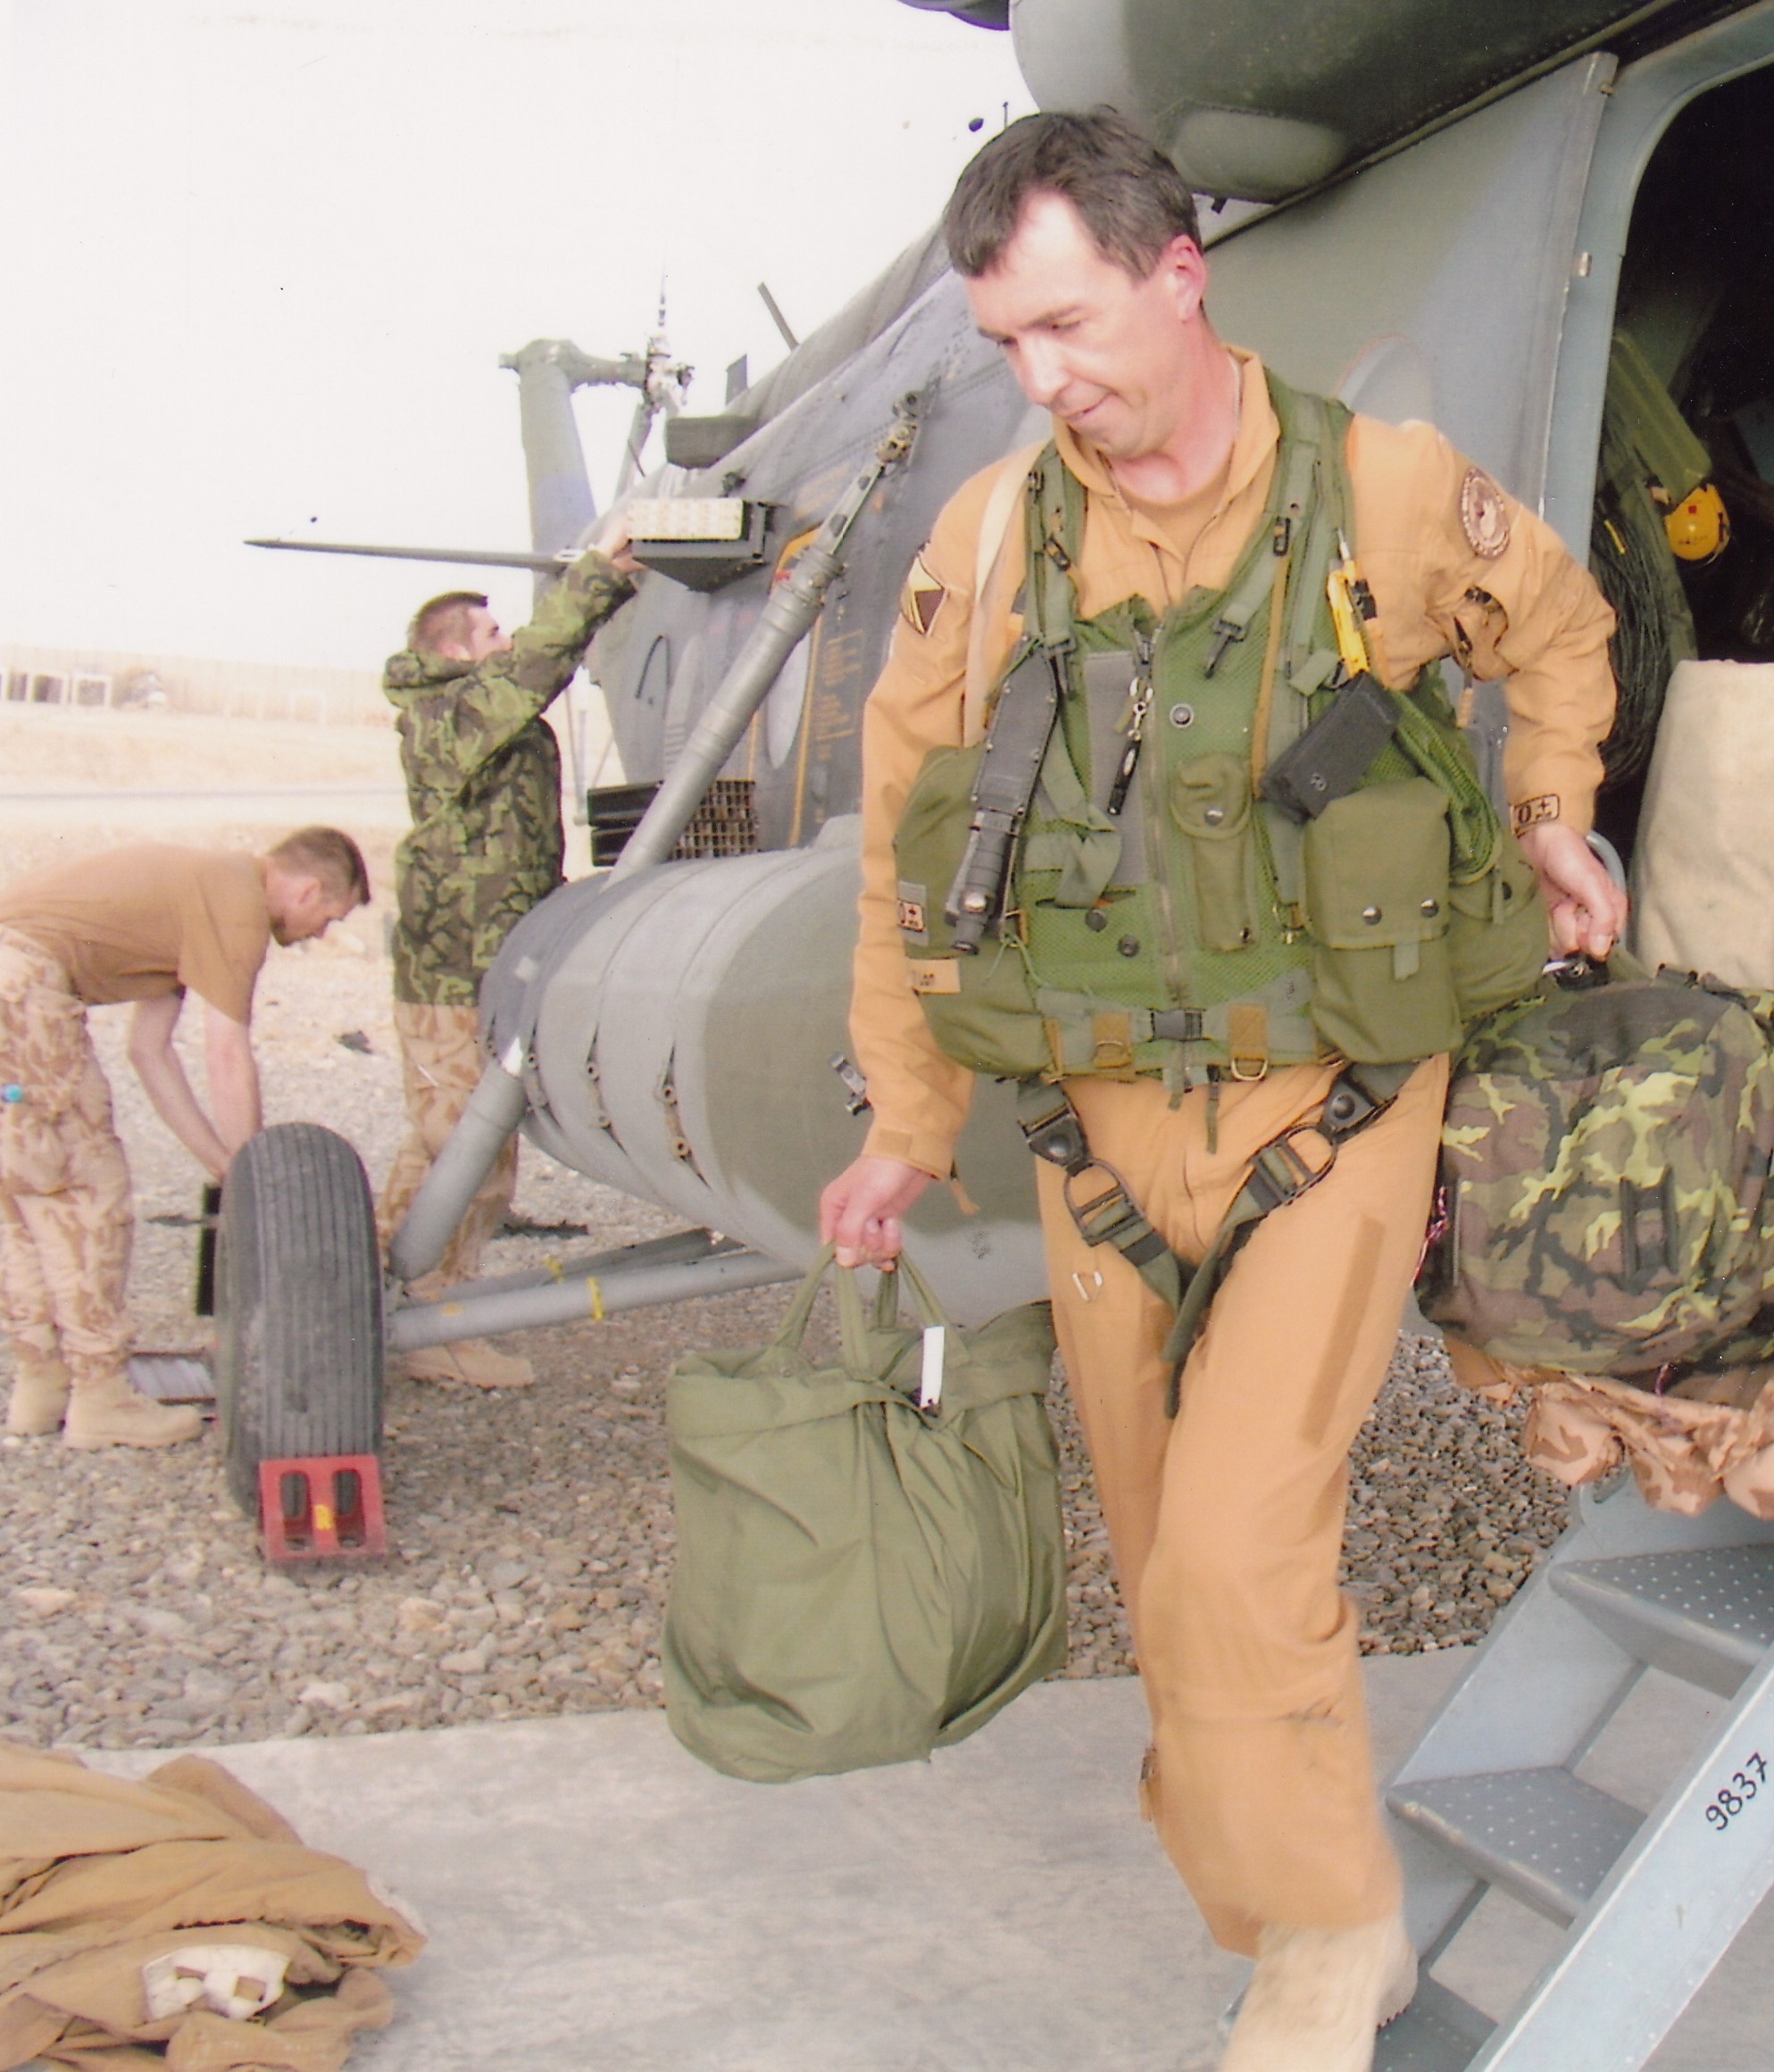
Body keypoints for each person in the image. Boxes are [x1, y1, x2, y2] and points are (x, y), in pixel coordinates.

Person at [817, 112, 1623, 2072]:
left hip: (1330, 1108)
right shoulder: (992, 540)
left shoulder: (1385, 491)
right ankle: (1295, 1910)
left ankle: (1325, 1946)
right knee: (1175, 1574)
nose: (1042, 380)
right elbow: (903, 847)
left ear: (1179, 273)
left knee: (1238, 1553)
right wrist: (905, 1122)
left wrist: (1549, 811)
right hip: (1094, 1137)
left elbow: (1561, 629)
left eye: (1068, 325)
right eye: (1006, 344)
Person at [376, 514, 639, 1388]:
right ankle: (431, 1315)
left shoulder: (474, 713)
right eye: (489, 632)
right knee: (463, 1148)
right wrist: (599, 576)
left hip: (491, 964)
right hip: (452, 972)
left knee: (460, 1143)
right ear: (455, 651)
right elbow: (534, 663)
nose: (504, 641)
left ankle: (400, 1298)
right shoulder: (445, 714)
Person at [0, 829, 368, 1447]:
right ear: (308, 890)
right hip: (22, 986)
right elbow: (226, 1057)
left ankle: (43, 1383)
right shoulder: (239, 907)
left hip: (11, 980)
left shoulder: (198, 899)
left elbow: (150, 1053)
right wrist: (256, 1182)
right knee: (88, 1191)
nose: (320, 933)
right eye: (329, 917)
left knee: (28, 1190)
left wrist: (225, 1167)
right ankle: (101, 1397)